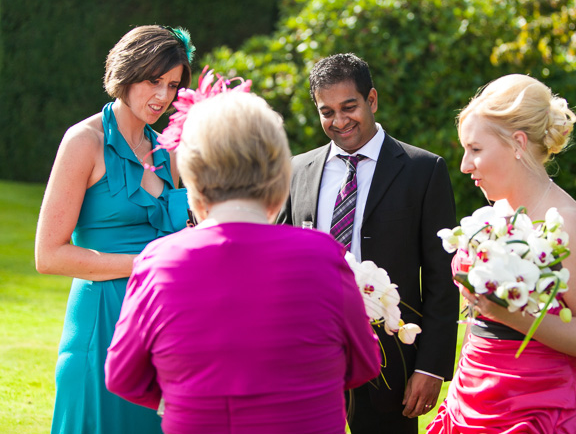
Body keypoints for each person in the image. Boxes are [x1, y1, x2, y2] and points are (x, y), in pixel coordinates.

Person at [104, 90, 382, 434]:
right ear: (278, 174)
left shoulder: (158, 263)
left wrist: (184, 398)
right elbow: (365, 363)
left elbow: (123, 374)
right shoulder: (325, 257)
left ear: (194, 179)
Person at [427, 74, 576, 433]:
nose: (464, 165)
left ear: (518, 143)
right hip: (476, 393)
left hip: (546, 405)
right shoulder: (497, 212)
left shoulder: (569, 225)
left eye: (475, 149)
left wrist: (515, 318)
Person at [278, 53, 460, 434]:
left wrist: (430, 367)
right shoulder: (297, 171)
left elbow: (443, 280)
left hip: (390, 361)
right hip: (307, 355)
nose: (339, 121)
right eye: (326, 112)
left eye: (349, 107)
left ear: (371, 100)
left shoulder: (424, 170)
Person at [35, 25, 195, 434]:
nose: (163, 96)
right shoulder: (83, 142)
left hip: (162, 329)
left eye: (173, 85)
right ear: (127, 72)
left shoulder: (169, 152)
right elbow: (48, 255)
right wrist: (145, 263)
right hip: (100, 324)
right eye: (153, 80)